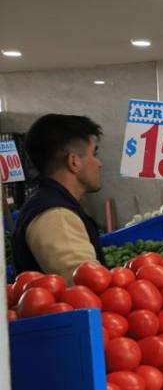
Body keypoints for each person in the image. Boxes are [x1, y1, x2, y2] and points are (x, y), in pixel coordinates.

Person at [12, 114, 106, 283]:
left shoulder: (53, 204)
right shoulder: (55, 215)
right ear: (74, 162)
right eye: (94, 153)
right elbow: (88, 283)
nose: (99, 163)